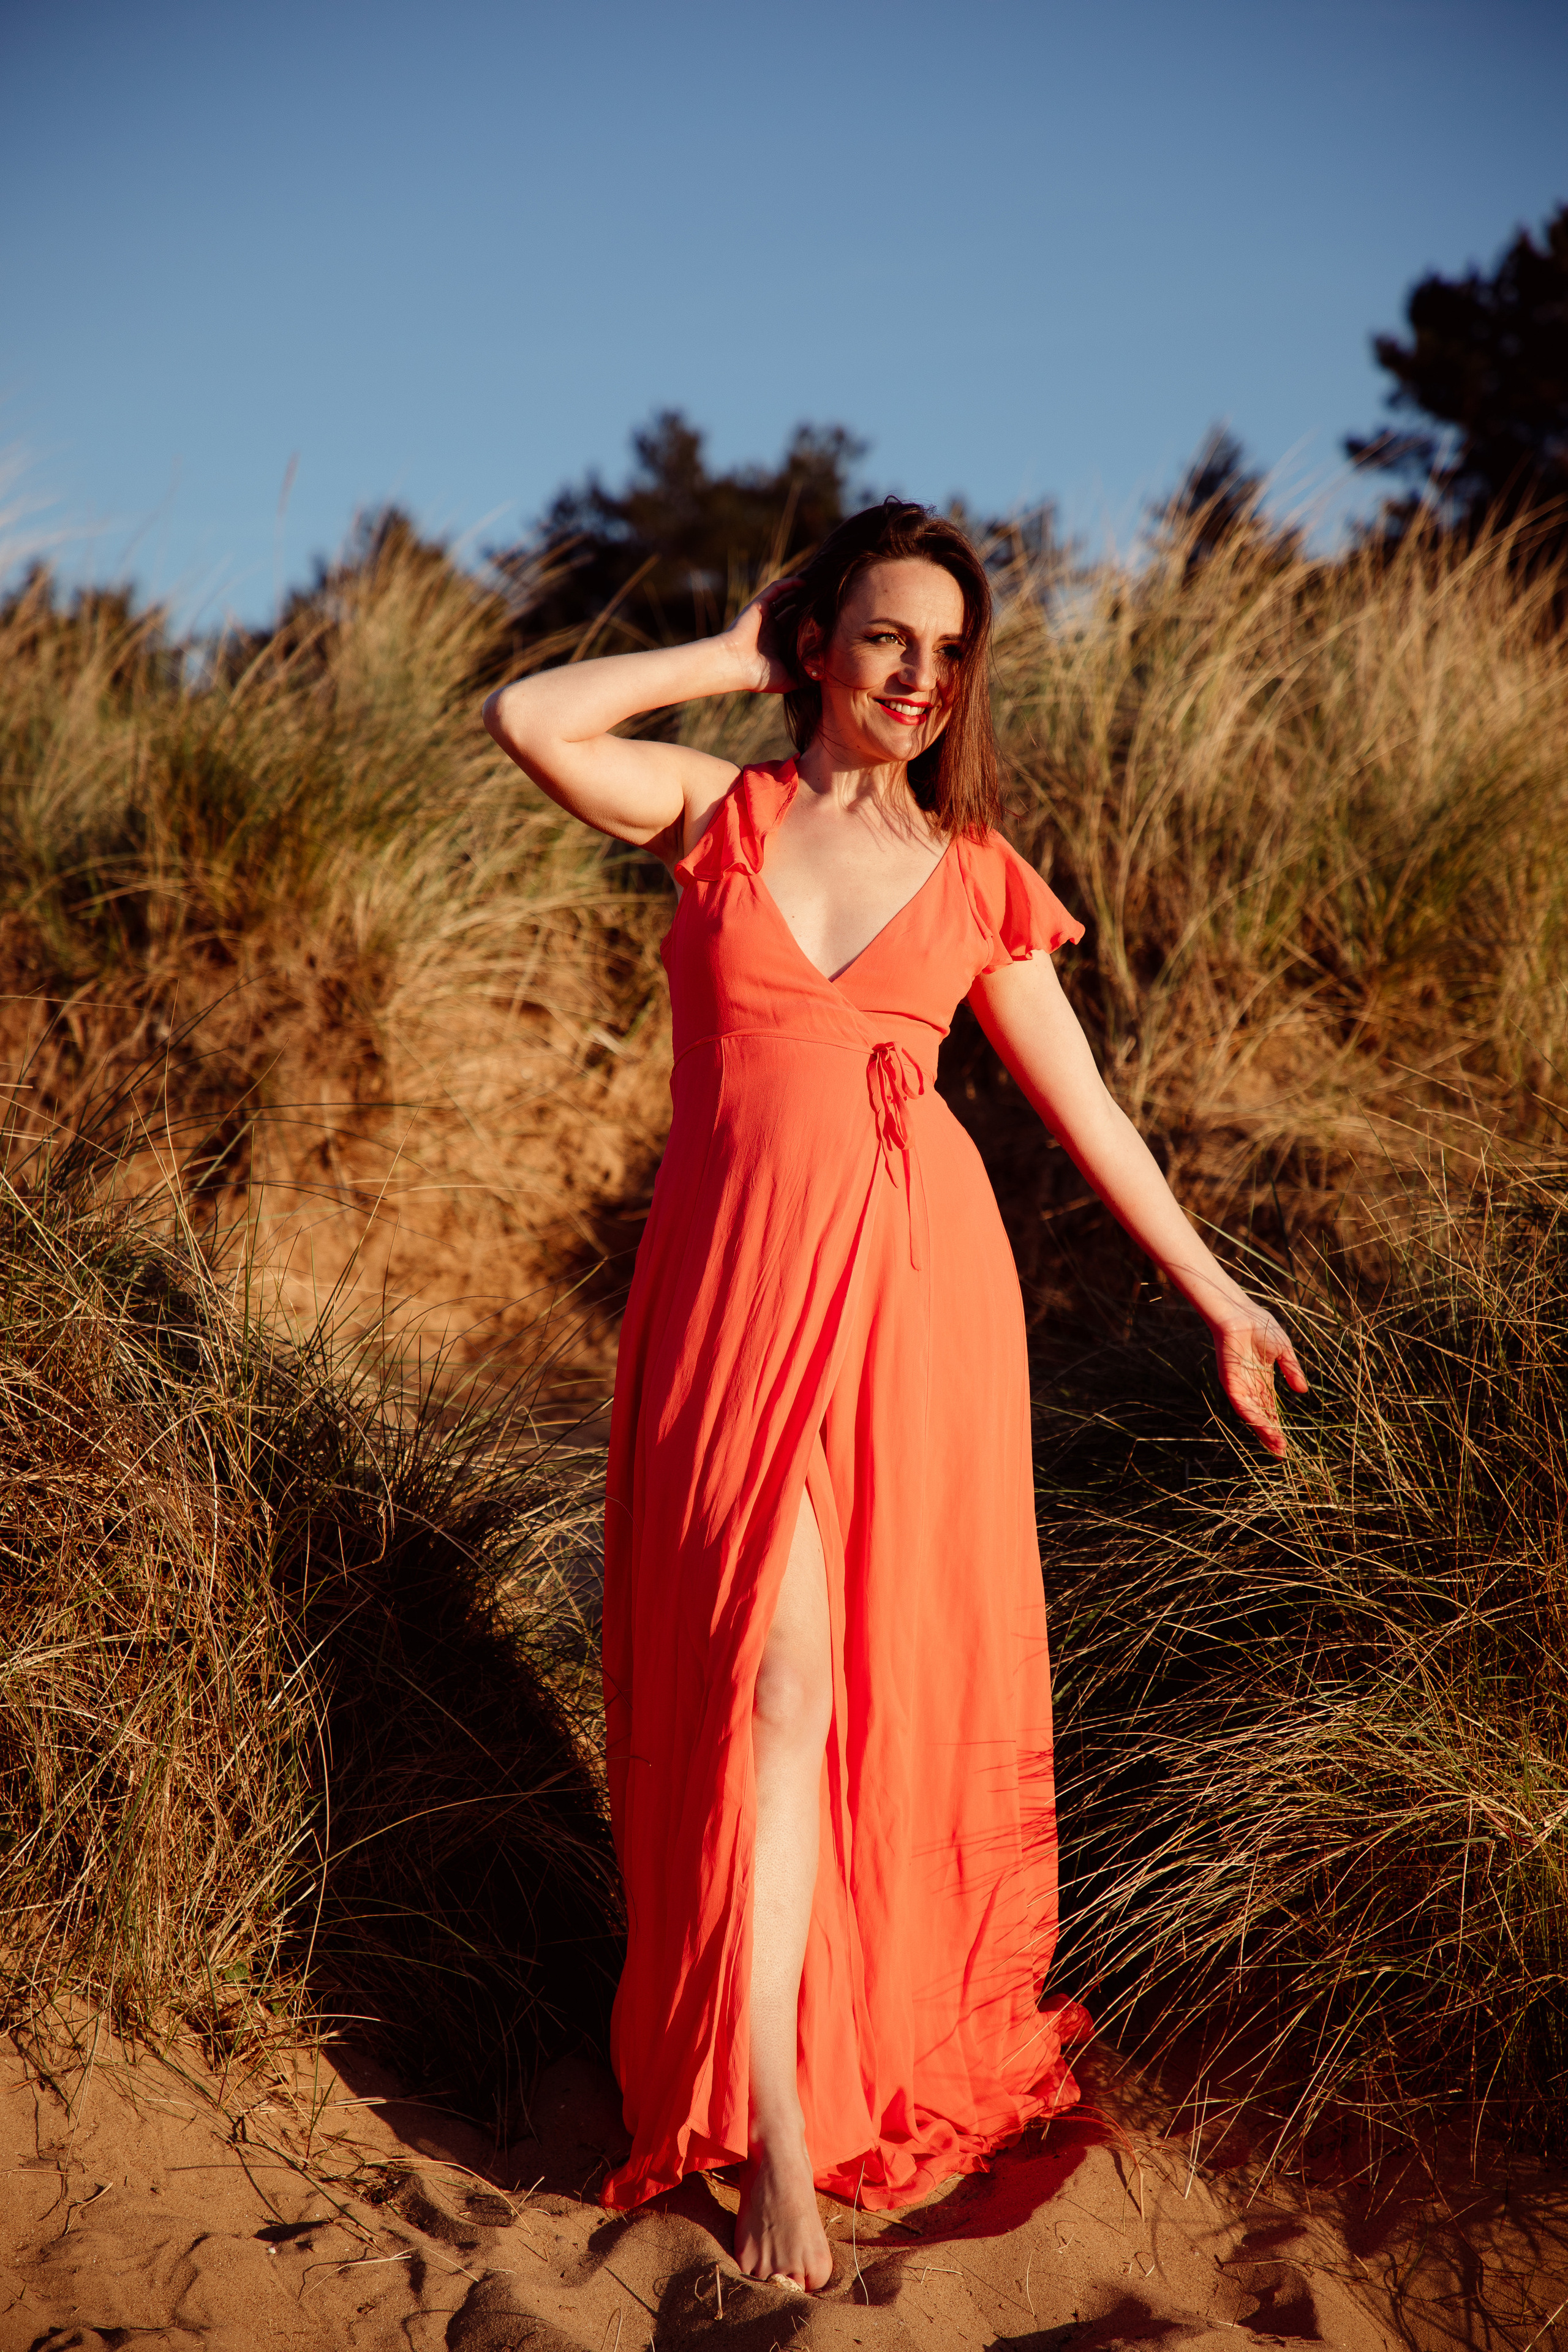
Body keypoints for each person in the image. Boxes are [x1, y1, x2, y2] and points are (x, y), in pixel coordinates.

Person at [482, 500, 1306, 2294]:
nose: (921, 678)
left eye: (948, 651)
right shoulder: (720, 815)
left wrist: (1221, 1297)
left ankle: (808, 2095)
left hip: (923, 1309)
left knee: (860, 1690)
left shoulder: (976, 873)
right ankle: (774, 2116)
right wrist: (729, 652)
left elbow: (1097, 1121)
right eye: (885, 639)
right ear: (823, 645)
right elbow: (531, 722)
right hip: (732, 1297)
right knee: (767, 1680)